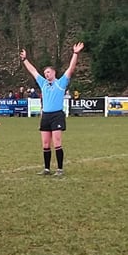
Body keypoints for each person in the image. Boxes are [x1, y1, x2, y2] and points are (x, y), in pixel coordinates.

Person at [20, 43, 84, 176]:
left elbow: (71, 69)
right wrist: (25, 59)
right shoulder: (43, 83)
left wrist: (75, 54)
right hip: (46, 116)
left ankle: (60, 169)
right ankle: (47, 169)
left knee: (57, 142)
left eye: (48, 72)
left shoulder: (61, 83)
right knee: (45, 143)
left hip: (57, 115)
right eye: (45, 73)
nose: (46, 74)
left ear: (54, 73)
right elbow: (33, 71)